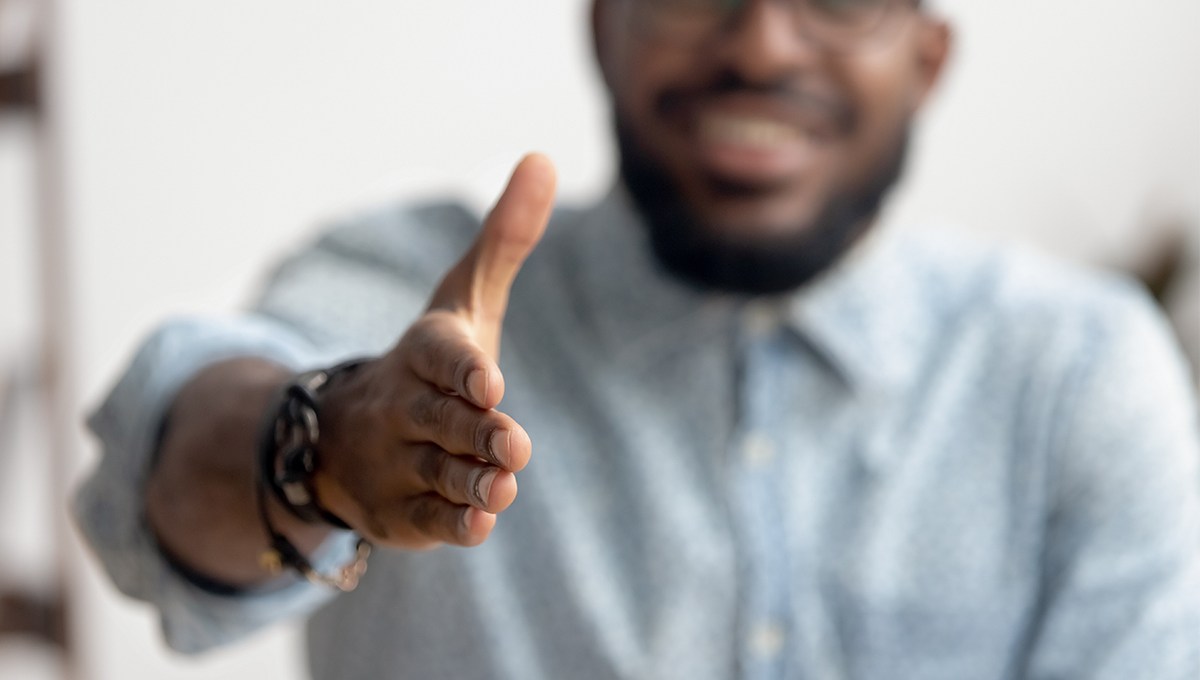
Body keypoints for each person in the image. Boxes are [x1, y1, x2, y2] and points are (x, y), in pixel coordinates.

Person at [76, 1, 1200, 678]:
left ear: (928, 56)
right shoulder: (400, 289)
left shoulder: (1079, 373)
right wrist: (319, 445)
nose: (761, 45)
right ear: (604, 25)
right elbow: (161, 476)